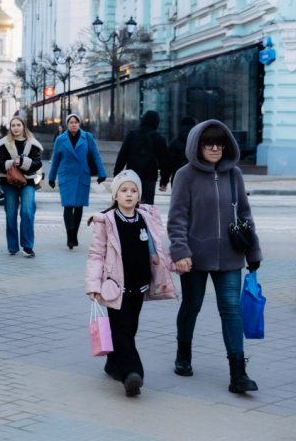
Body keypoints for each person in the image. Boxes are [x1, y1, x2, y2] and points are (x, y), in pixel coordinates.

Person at [168, 120, 261, 393]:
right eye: (209, 142)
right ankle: (183, 353)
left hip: (231, 256)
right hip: (194, 257)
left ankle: (238, 372)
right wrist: (180, 251)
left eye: (220, 143)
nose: (215, 148)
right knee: (191, 306)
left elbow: (245, 216)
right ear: (198, 144)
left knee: (232, 311)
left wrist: (254, 252)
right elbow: (176, 219)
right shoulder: (185, 175)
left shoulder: (235, 175)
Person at [85, 170, 178, 397]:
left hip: (140, 286)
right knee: (123, 329)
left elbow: (156, 249)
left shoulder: (146, 218)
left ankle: (113, 362)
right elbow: (96, 254)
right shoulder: (107, 221)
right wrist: (93, 285)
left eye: (133, 190)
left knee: (129, 328)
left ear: (139, 196)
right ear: (116, 195)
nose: (129, 195)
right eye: (124, 190)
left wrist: (173, 265)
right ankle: (132, 374)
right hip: (115, 288)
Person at [48, 114, 107, 249]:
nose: (74, 124)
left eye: (76, 122)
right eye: (71, 122)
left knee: (79, 206)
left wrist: (101, 173)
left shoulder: (87, 137)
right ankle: (69, 237)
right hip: (66, 176)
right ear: (67, 125)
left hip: (82, 176)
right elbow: (55, 160)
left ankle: (75, 234)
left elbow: (96, 155)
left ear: (79, 124)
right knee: (68, 206)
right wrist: (51, 177)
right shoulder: (60, 139)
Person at [0, 116, 43, 257]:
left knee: (27, 212)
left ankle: (27, 246)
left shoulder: (32, 144)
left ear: (23, 127)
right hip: (9, 181)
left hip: (27, 182)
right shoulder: (4, 144)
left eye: (18, 125)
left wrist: (23, 162)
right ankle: (12, 247)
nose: (15, 128)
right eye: (13, 125)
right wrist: (11, 163)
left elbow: (38, 163)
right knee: (10, 214)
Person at [113, 110, 170, 205]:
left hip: (132, 176)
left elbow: (122, 155)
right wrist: (164, 181)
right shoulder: (159, 139)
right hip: (150, 178)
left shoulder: (132, 135)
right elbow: (164, 162)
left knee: (130, 205)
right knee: (146, 208)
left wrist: (117, 175)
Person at [165, 116, 197, 185]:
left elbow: (169, 163)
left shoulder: (175, 142)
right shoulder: (198, 142)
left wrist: (164, 180)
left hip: (178, 177)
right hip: (196, 177)